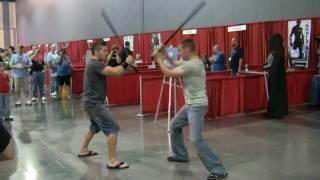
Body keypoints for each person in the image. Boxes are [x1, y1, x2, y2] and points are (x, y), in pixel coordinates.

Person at [153, 39, 228, 180]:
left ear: (188, 49)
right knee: (174, 126)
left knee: (196, 139)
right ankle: (181, 155)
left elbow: (169, 73)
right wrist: (164, 53)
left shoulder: (192, 65)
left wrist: (158, 59)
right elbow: (174, 63)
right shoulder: (192, 61)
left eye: (181, 50)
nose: (180, 53)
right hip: (190, 104)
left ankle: (219, 170)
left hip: (197, 106)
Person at [78, 41, 135, 170]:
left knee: (95, 126)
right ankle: (112, 161)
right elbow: (114, 72)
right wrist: (127, 63)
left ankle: (83, 149)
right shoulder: (94, 64)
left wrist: (125, 65)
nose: (106, 53)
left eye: (107, 51)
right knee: (112, 128)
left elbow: (116, 71)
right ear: (96, 52)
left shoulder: (96, 63)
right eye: (104, 51)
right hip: (94, 104)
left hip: (90, 103)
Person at [263, 34, 289, 119]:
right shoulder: (281, 50)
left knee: (274, 94)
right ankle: (279, 111)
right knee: (279, 93)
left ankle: (275, 112)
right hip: (280, 75)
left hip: (275, 76)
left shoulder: (275, 51)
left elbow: (272, 64)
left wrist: (266, 67)